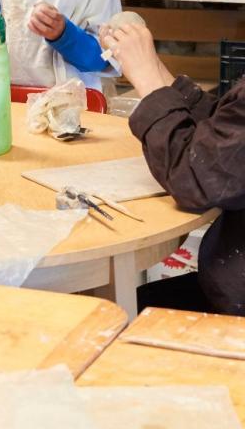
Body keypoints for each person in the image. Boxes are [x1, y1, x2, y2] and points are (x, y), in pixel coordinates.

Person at [100, 18, 244, 315]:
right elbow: (227, 136)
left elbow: (196, 178)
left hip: (234, 312)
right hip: (225, 284)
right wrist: (155, 71)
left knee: (106, 315)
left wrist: (148, 80)